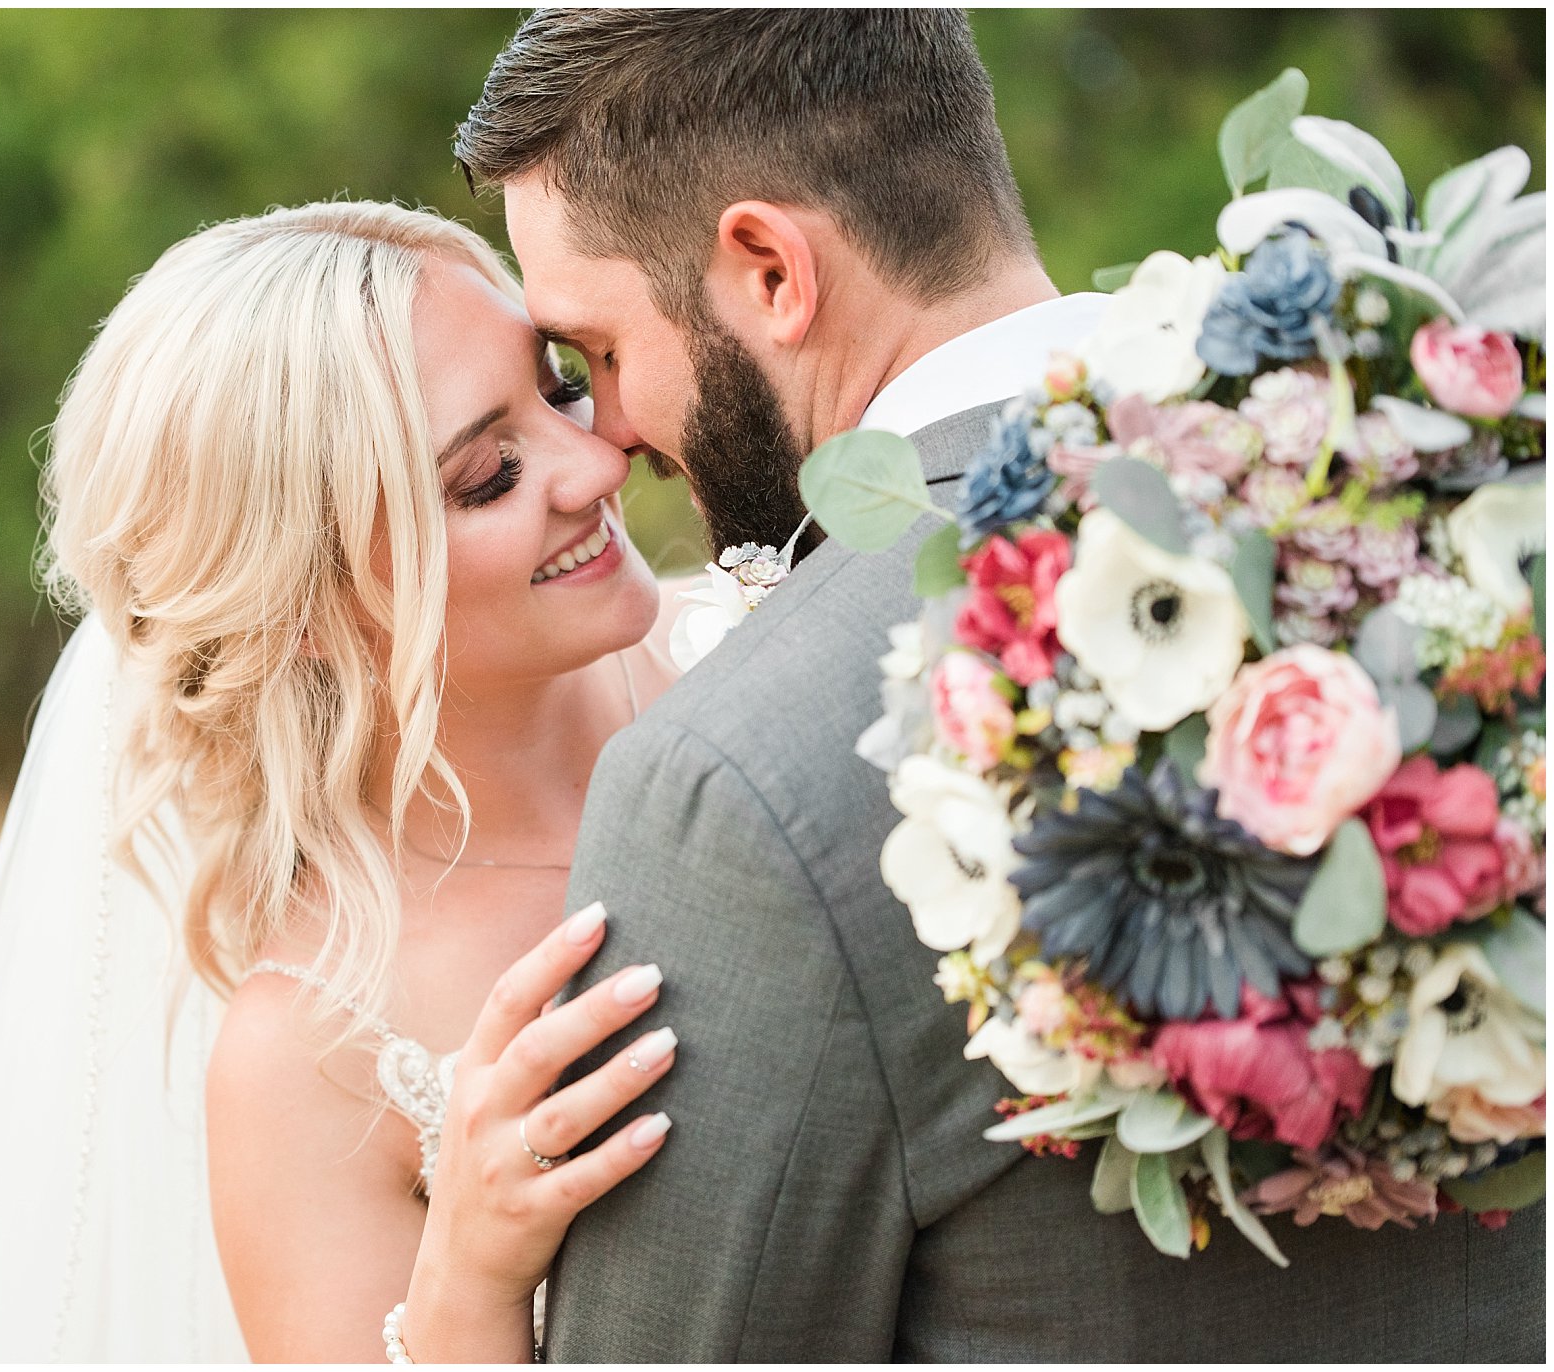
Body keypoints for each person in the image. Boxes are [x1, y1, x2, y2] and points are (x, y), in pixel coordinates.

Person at [456, 8, 1545, 1361]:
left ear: (768, 269)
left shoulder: (732, 784)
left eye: (604, 353)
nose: (611, 433)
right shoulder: (1461, 506)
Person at [0, 202, 694, 1363]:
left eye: (559, 387)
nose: (597, 462)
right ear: (305, 609)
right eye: (488, 474)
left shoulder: (769, 653)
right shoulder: (318, 1046)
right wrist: (471, 1271)